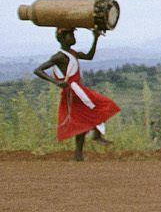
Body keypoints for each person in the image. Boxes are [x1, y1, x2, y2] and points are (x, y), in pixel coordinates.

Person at [33, 26, 119, 161]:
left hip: (78, 91)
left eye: (73, 35)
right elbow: (38, 70)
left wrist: (95, 38)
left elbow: (89, 56)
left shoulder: (73, 53)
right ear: (62, 38)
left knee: (84, 119)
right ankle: (94, 137)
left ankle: (79, 154)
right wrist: (56, 82)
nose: (73, 38)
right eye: (70, 35)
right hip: (73, 92)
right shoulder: (59, 56)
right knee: (100, 106)